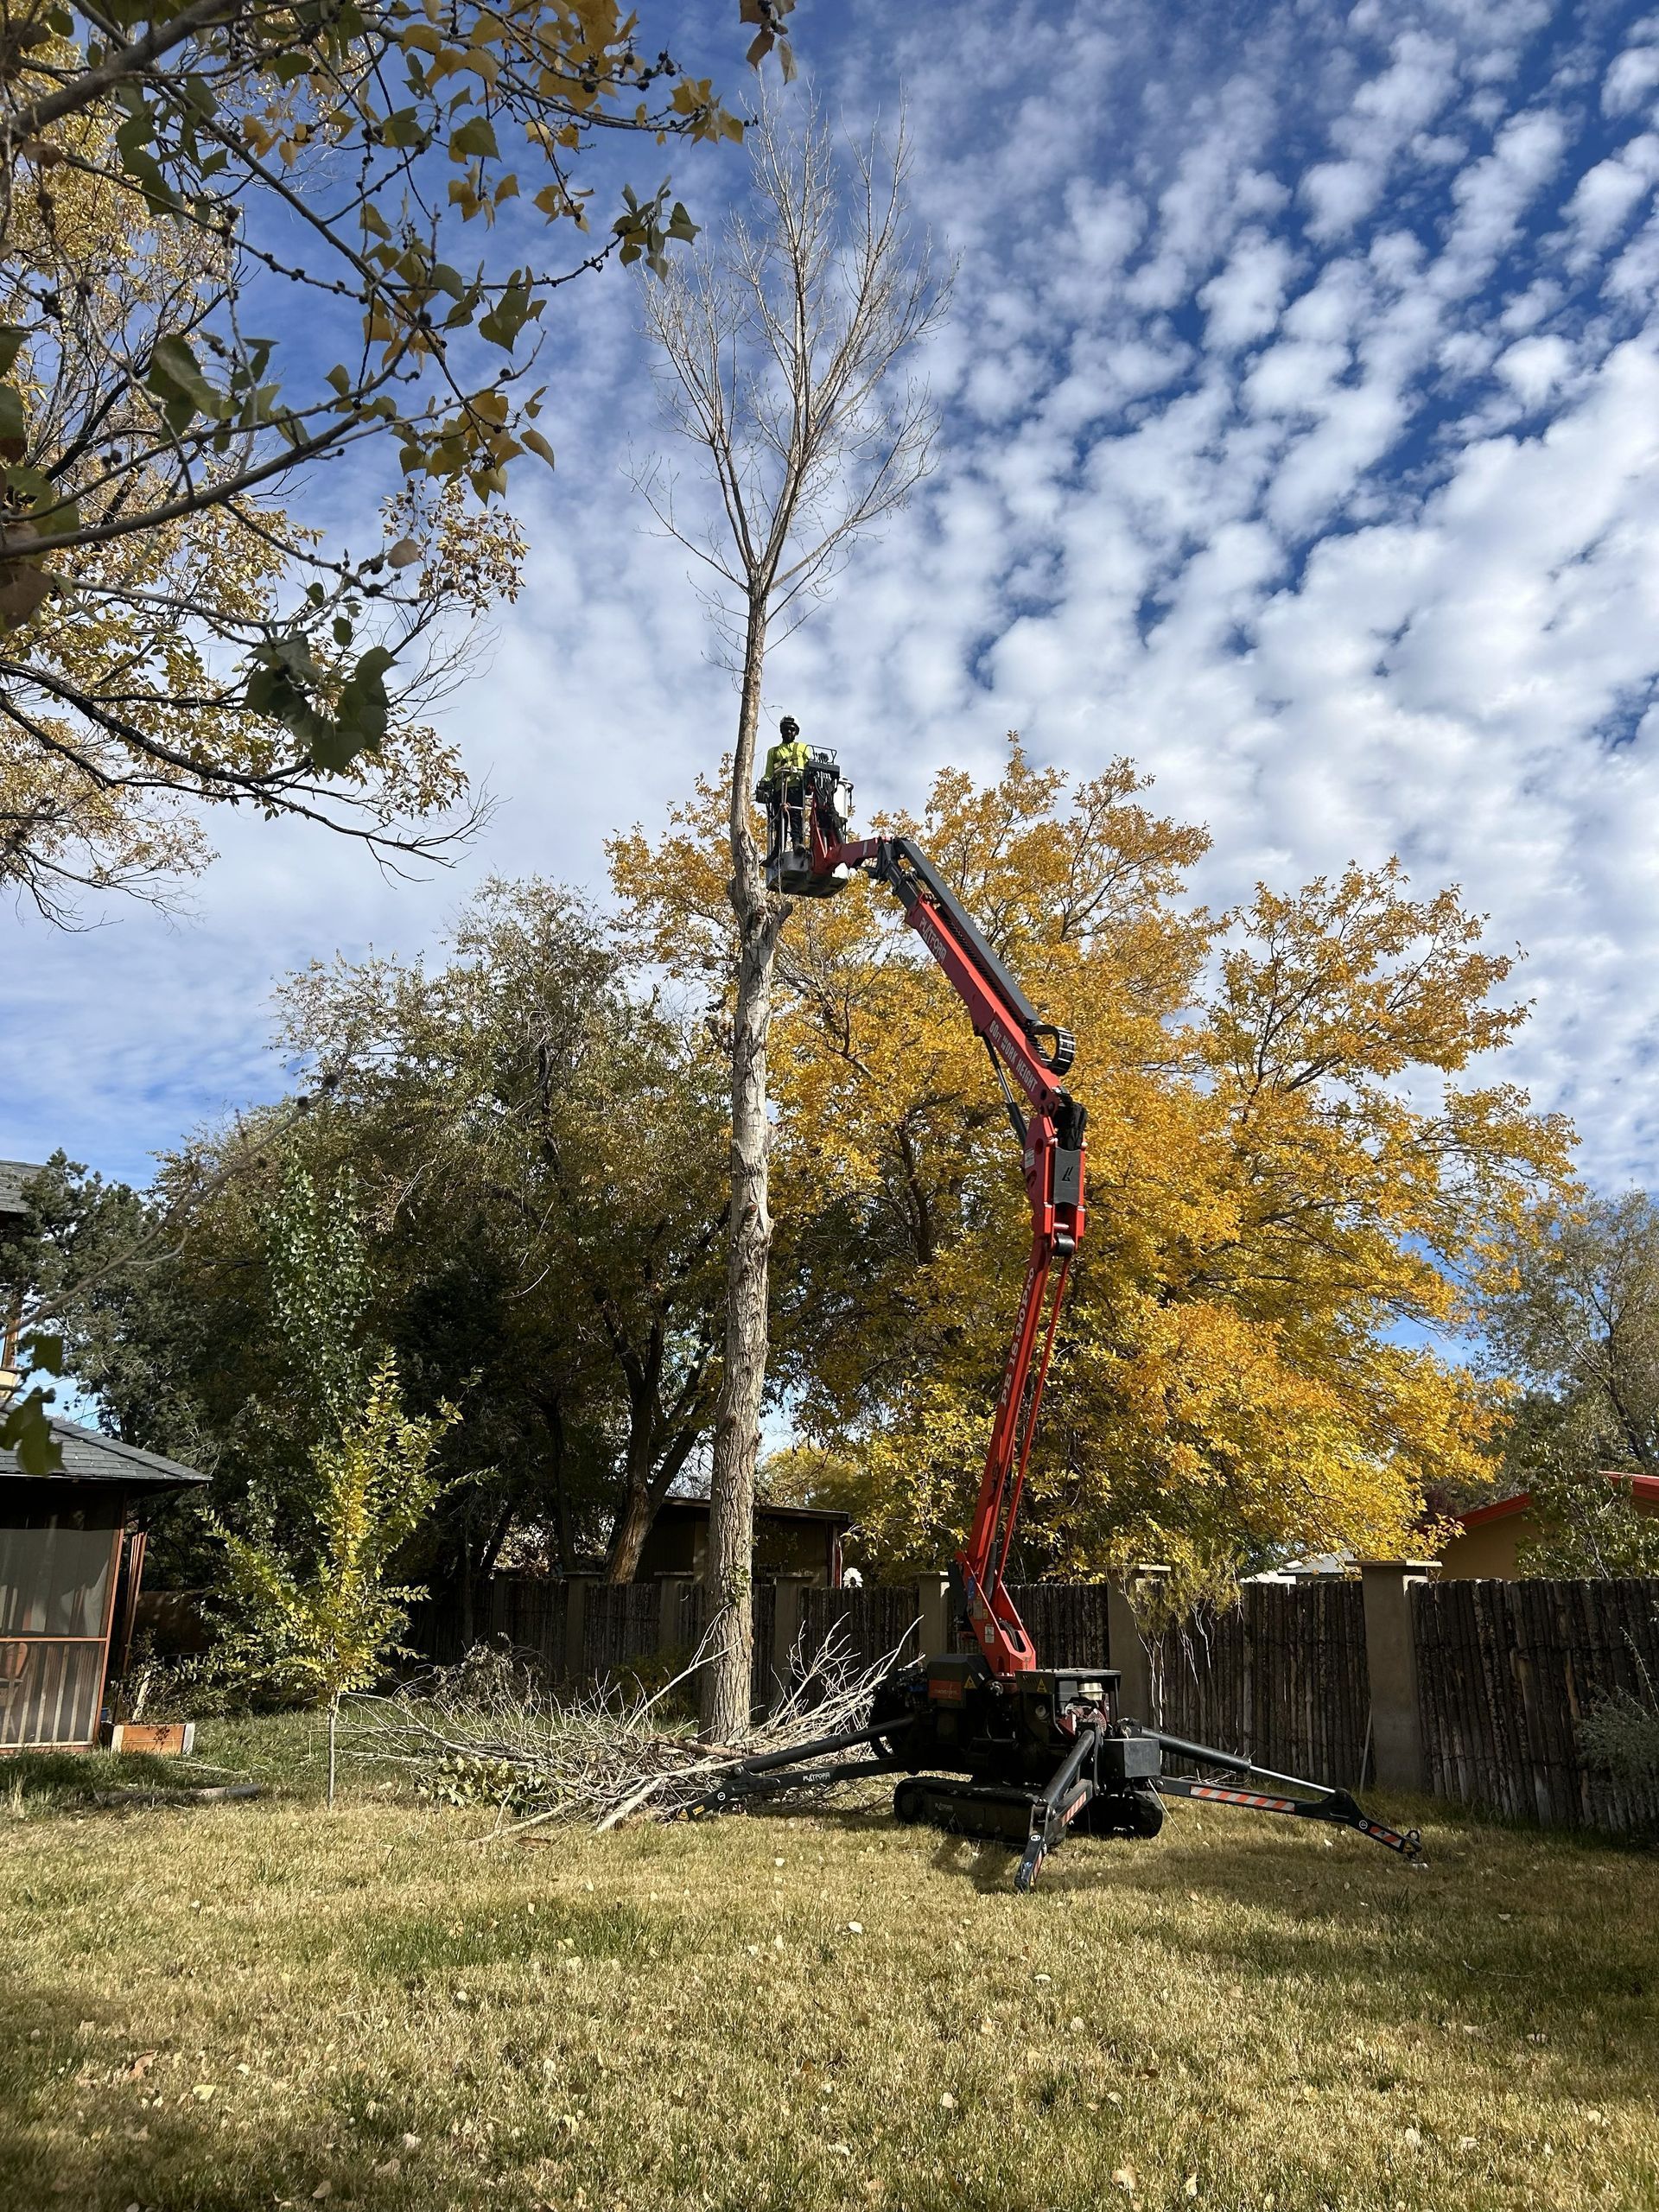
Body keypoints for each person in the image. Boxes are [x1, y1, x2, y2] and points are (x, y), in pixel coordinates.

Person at [757, 715, 811, 859]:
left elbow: (809, 767)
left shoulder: (803, 748)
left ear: (796, 732)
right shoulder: (773, 752)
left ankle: (797, 843)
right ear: (781, 731)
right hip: (779, 790)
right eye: (786, 729)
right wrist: (764, 784)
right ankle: (778, 848)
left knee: (795, 816)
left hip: (796, 788)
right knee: (780, 819)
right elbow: (768, 773)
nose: (788, 732)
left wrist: (808, 780)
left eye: (791, 729)